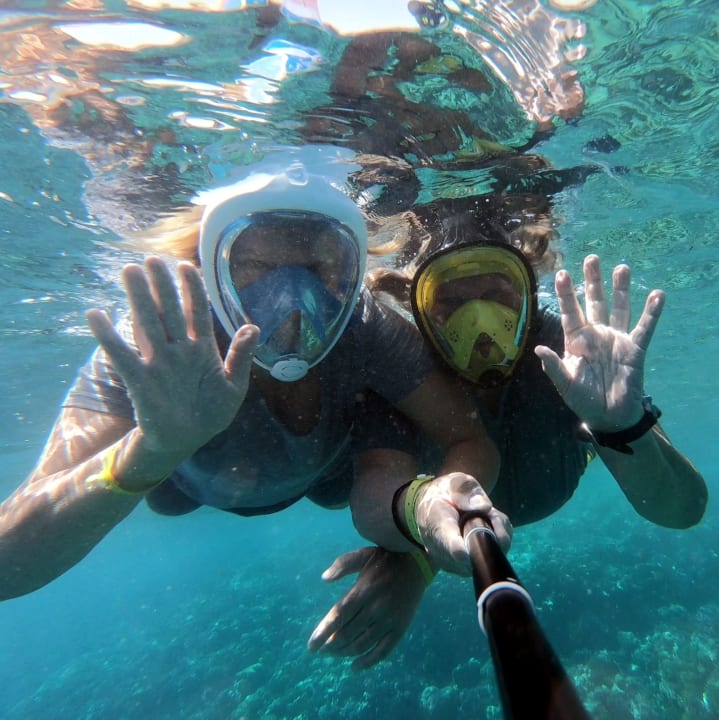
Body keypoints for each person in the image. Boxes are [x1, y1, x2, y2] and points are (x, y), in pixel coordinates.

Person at [0, 153, 514, 603]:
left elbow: (468, 438)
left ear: (349, 272)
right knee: (167, 497)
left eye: (319, 269)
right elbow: (8, 565)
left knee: (352, 474)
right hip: (188, 484)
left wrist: (429, 508)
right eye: (256, 267)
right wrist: (153, 450)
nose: (292, 299)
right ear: (208, 268)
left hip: (324, 476)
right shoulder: (155, 346)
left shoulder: (367, 328)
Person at [308, 202, 707, 668]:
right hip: (498, 495)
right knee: (329, 488)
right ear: (421, 309)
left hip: (559, 468)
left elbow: (682, 510)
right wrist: (416, 552)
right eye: (451, 303)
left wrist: (620, 425)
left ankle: (593, 443)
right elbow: (381, 480)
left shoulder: (572, 350)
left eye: (497, 294)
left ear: (527, 296)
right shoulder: (407, 370)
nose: (479, 323)